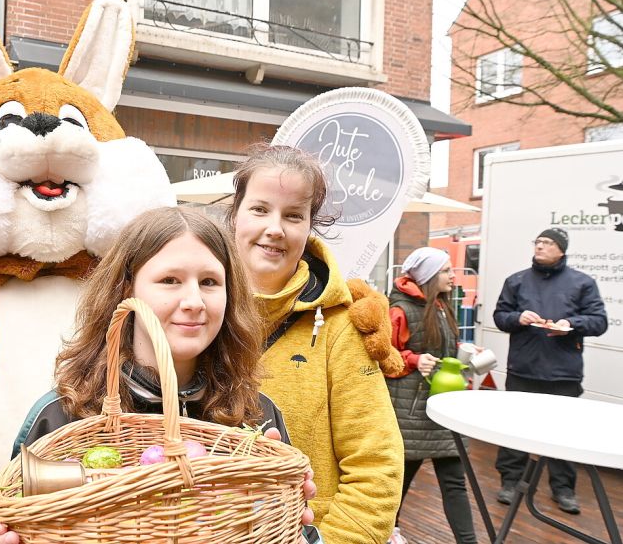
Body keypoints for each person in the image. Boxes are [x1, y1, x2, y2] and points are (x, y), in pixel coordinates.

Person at [0, 206, 318, 544]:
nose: (194, 301)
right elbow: (16, 522)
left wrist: (295, 531)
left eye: (210, 282)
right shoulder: (63, 414)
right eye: (170, 280)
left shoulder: (255, 417)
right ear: (127, 289)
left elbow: (293, 531)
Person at [227, 144, 404, 544]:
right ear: (234, 214)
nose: (275, 228)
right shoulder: (195, 311)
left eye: (293, 215)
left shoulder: (341, 326)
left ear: (309, 227)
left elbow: (376, 465)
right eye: (260, 209)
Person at [493, 227, 607, 514]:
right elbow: (500, 316)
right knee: (513, 430)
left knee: (562, 434)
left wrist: (571, 325)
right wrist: (517, 317)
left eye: (548, 243)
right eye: (538, 241)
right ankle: (510, 481)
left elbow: (599, 321)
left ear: (561, 249)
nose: (540, 246)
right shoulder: (516, 281)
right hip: (523, 369)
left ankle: (563, 489)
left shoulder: (583, 283)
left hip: (563, 374)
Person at [385, 247, 476, 544]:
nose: (452, 275)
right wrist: (413, 359)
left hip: (444, 406)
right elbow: (384, 358)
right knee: (399, 481)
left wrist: (465, 358)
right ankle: (388, 531)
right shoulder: (400, 309)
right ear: (428, 276)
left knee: (454, 482)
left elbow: (444, 352)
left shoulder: (441, 306)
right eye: (446, 271)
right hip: (412, 412)